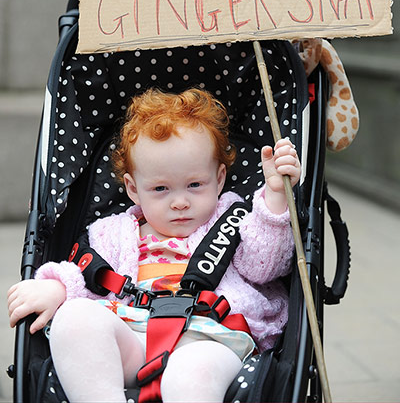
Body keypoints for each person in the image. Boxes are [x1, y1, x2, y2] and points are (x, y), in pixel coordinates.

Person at [8, 87, 300, 403]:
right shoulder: (113, 232)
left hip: (210, 338)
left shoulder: (232, 218)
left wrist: (274, 198)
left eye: (195, 185)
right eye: (160, 188)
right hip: (133, 337)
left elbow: (265, 265)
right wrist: (58, 289)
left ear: (219, 178)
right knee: (74, 318)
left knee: (190, 373)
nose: (179, 202)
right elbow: (84, 276)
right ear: (134, 189)